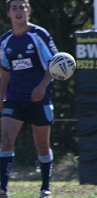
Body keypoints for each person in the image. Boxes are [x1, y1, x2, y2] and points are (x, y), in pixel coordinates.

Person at [0, 0, 58, 197]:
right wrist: (1, 99)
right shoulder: (5, 41)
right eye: (14, 8)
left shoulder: (39, 35)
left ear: (29, 11)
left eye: (22, 7)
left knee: (42, 145)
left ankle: (45, 188)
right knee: (6, 140)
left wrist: (42, 86)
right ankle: (3, 189)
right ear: (8, 13)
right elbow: (5, 73)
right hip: (15, 97)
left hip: (38, 98)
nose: (19, 11)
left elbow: (55, 66)